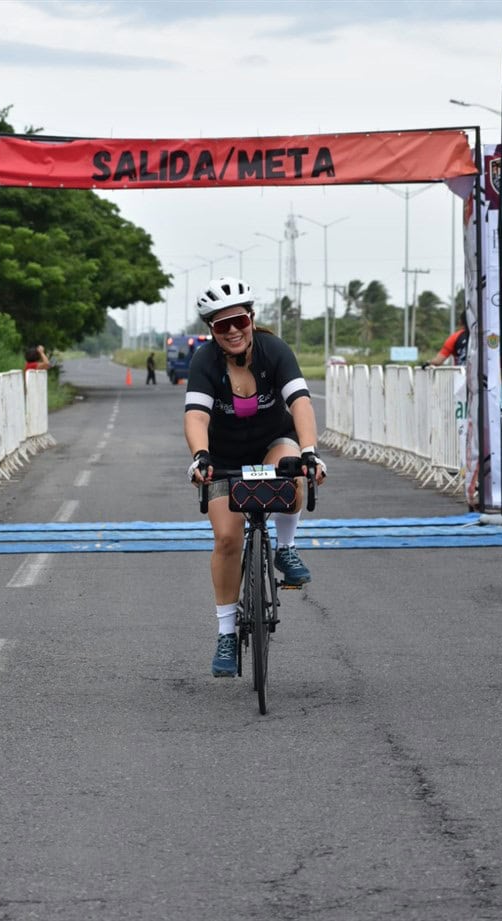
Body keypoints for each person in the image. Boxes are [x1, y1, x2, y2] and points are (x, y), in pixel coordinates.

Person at [184, 276, 327, 678]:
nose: (232, 331)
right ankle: (227, 633)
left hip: (272, 441)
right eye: (221, 325)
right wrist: (199, 457)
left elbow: (299, 402)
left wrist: (311, 451)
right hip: (224, 455)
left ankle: (285, 547)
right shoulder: (204, 362)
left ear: (251, 319)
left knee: (291, 473)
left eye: (239, 321)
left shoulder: (274, 350)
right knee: (227, 538)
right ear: (210, 330)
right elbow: (196, 415)